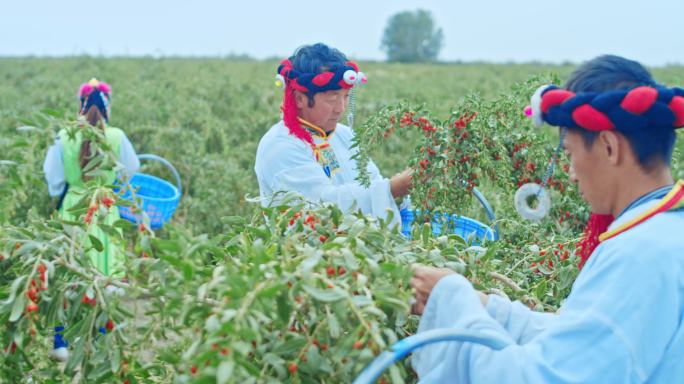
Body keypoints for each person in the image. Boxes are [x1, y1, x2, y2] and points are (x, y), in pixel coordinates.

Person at [409, 55, 684, 382]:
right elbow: (586, 338)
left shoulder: (639, 256)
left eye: (570, 154)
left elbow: (538, 377)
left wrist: (453, 299)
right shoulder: (665, 233)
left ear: (609, 147)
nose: (570, 175)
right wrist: (487, 307)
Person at [254, 43, 412, 226]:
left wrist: (400, 195)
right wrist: (393, 188)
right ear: (299, 99)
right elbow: (320, 208)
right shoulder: (280, 145)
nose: (341, 108)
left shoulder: (345, 135)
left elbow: (371, 182)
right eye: (332, 97)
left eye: (345, 96)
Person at [42, 78, 139, 360]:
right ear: (108, 107)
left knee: (68, 270)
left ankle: (61, 342)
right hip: (105, 207)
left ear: (80, 106)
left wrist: (66, 191)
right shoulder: (117, 136)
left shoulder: (64, 135)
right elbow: (131, 170)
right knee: (104, 272)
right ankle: (100, 341)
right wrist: (111, 186)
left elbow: (53, 178)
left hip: (75, 208)